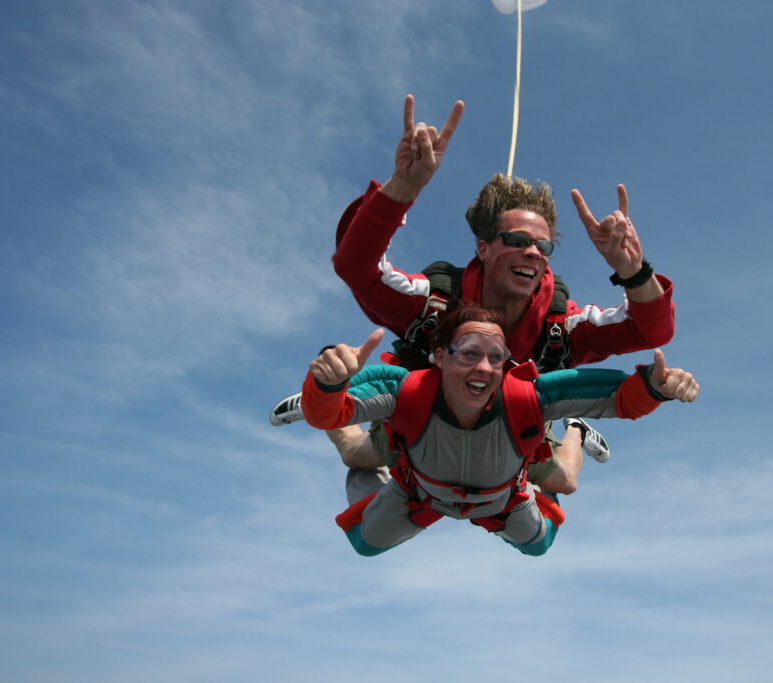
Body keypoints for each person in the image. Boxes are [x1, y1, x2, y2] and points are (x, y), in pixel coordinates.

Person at [272, 94, 678, 497]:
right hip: (424, 416)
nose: (533, 252)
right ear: (483, 248)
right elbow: (355, 265)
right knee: (356, 453)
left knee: (563, 481)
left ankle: (575, 428)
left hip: (511, 429)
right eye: (517, 240)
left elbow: (651, 331)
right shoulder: (432, 303)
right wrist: (404, 186)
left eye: (544, 246)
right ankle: (322, 392)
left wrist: (631, 269)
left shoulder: (562, 327)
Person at [302, 304, 699, 556]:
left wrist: (655, 388)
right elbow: (328, 414)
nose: (484, 368)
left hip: (502, 499)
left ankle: (574, 430)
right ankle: (361, 458)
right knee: (364, 539)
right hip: (419, 490)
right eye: (470, 354)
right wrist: (328, 383)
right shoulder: (406, 390)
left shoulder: (527, 397)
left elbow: (617, 397)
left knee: (544, 533)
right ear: (440, 358)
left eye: (496, 357)